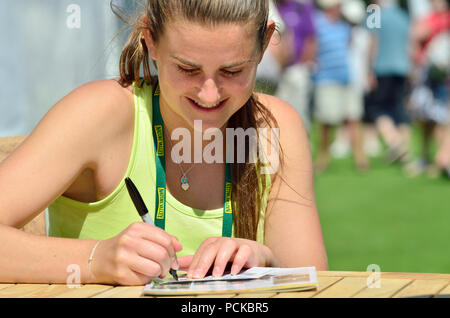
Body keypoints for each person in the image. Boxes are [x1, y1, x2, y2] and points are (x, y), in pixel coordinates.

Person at [0, 0, 328, 285]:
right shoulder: (99, 115)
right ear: (151, 40)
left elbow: (318, 282)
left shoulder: (274, 128)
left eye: (233, 71)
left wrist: (264, 263)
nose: (210, 94)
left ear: (265, 42)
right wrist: (96, 259)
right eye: (187, 68)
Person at [312, 0, 368, 172]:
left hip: (347, 78)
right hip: (326, 79)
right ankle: (323, 156)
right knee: (327, 121)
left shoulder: (346, 25)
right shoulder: (318, 23)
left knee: (354, 117)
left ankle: (360, 157)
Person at [365, 0, 412, 163]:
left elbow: (372, 42)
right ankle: (406, 152)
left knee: (376, 109)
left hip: (382, 67)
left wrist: (369, 69)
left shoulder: (374, 12)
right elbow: (409, 44)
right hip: (402, 67)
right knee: (399, 109)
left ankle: (395, 142)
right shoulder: (403, 15)